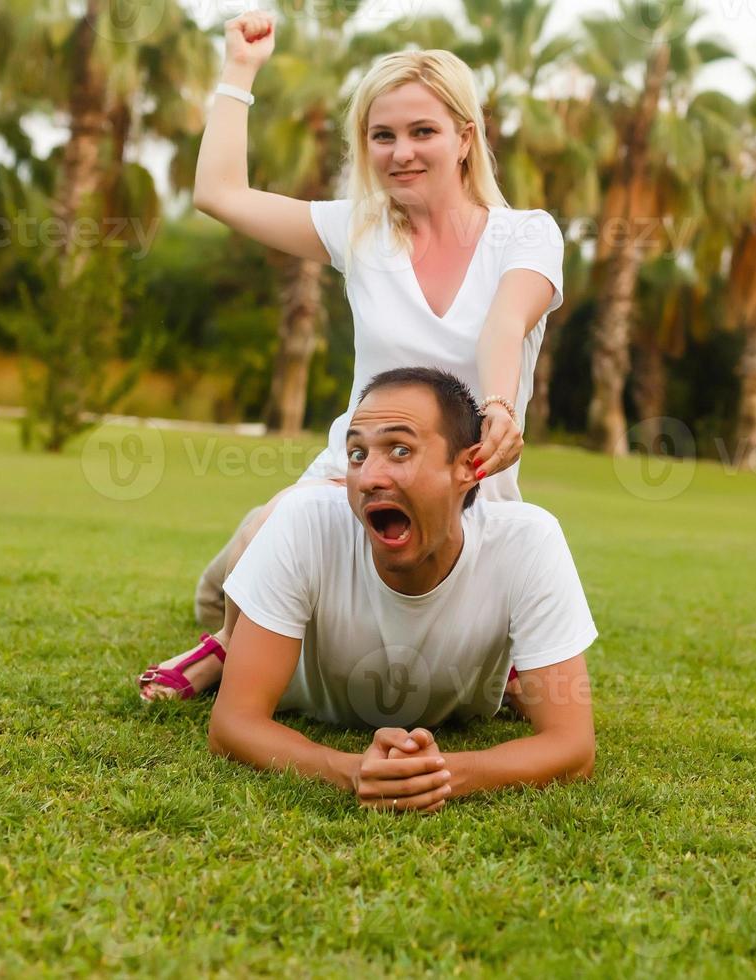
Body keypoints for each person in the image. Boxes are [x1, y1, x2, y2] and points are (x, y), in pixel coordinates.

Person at [138, 11, 565, 700]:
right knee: (262, 540)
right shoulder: (361, 231)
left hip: (468, 484)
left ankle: (498, 654)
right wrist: (239, 72)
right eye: (382, 136)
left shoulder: (526, 234)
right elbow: (219, 195)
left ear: (464, 138)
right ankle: (225, 644)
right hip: (350, 475)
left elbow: (504, 323)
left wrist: (495, 408)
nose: (401, 152)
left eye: (423, 131)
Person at [202, 368, 596, 812]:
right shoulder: (303, 521)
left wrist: (438, 774)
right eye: (356, 454)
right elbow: (233, 724)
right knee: (253, 539)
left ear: (468, 466)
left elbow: (573, 746)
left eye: (400, 450)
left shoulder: (529, 540)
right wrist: (348, 769)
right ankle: (222, 644)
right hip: (273, 577)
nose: (369, 476)